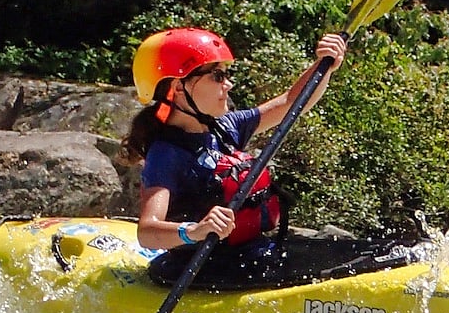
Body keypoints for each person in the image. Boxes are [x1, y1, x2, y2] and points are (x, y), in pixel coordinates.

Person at [119, 27, 347, 286]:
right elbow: (147, 232)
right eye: (217, 76)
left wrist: (325, 65)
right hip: (206, 271)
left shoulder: (226, 127)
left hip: (250, 255)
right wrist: (194, 230)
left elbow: (291, 102)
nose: (228, 84)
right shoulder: (167, 153)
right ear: (179, 87)